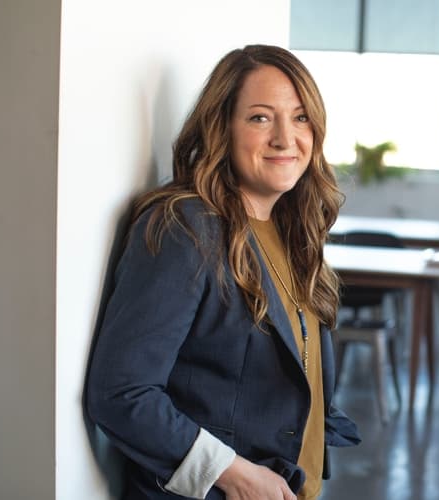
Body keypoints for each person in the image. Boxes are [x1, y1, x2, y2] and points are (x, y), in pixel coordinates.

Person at [86, 45, 360, 500]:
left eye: (300, 117)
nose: (285, 138)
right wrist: (234, 473)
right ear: (222, 128)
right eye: (259, 118)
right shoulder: (186, 227)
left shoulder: (293, 229)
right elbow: (120, 392)